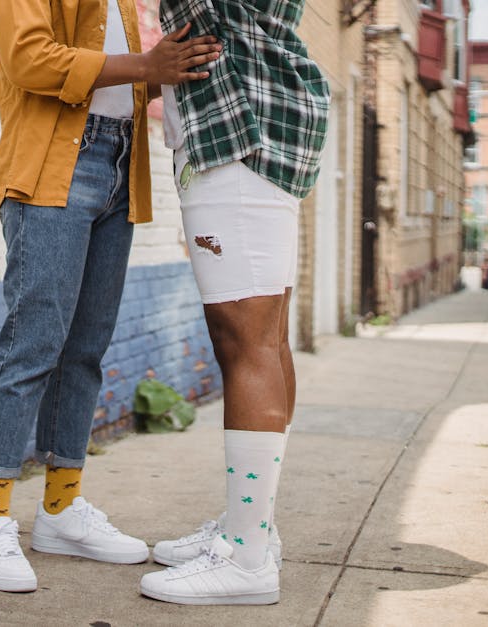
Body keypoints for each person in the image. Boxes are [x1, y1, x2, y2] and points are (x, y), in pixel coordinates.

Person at [0, 0, 222, 593]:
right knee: (33, 344)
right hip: (55, 167)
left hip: (119, 164)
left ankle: (60, 509)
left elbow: (120, 78)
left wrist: (167, 71)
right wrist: (144, 63)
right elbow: (29, 60)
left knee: (85, 350)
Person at [140, 0, 330, 605]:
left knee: (245, 342)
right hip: (256, 129)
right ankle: (251, 529)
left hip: (236, 135)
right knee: (264, 340)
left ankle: (246, 560)